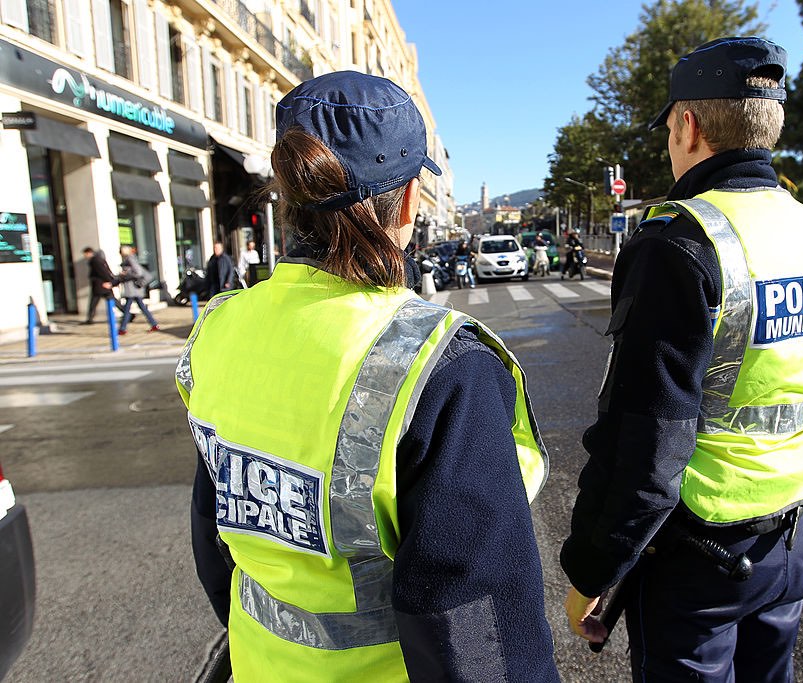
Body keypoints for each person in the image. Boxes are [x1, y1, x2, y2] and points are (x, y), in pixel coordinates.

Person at [177, 71, 558, 682]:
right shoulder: (440, 364)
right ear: (408, 202)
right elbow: (476, 623)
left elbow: (212, 527)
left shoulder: (219, 328)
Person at [560, 36, 803, 682]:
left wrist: (592, 569)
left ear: (689, 126)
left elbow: (645, 442)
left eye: (670, 129)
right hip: (794, 538)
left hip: (700, 554)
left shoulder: (680, 241)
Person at [116, 245, 159, 334]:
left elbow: (138, 272)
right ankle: (154, 324)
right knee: (142, 308)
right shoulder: (131, 259)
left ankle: (122, 329)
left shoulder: (130, 259)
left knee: (127, 309)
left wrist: (125, 275)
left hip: (132, 289)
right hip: (135, 289)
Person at [81, 247, 124, 324]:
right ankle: (127, 313)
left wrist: (110, 282)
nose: (85, 256)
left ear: (89, 253)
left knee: (95, 302)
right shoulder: (99, 260)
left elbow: (102, 272)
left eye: (85, 254)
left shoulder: (95, 261)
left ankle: (90, 318)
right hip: (102, 285)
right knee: (112, 300)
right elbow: (106, 271)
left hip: (101, 285)